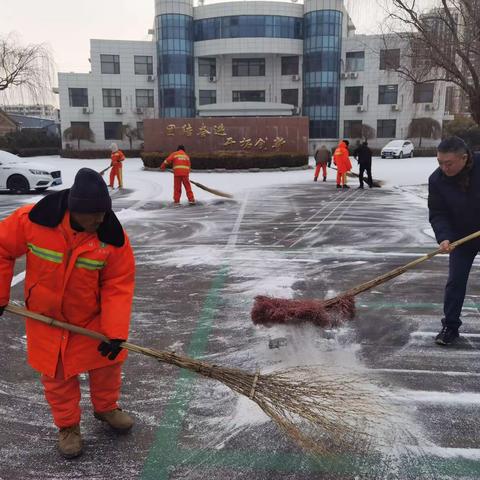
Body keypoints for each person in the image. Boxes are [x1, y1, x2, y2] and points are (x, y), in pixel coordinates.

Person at [0, 168, 135, 458]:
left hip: (91, 319)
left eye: (104, 212)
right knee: (57, 377)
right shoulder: (33, 221)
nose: (101, 219)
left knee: (107, 365)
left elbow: (118, 284)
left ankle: (106, 408)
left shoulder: (111, 237)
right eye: (95, 214)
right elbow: (1, 247)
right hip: (45, 320)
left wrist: (114, 331)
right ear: (76, 209)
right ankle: (68, 427)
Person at [428, 136, 480, 345]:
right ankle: (450, 326)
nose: (444, 167)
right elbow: (438, 213)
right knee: (455, 282)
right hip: (461, 238)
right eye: (440, 162)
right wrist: (444, 237)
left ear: (464, 158)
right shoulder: (437, 180)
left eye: (448, 163)